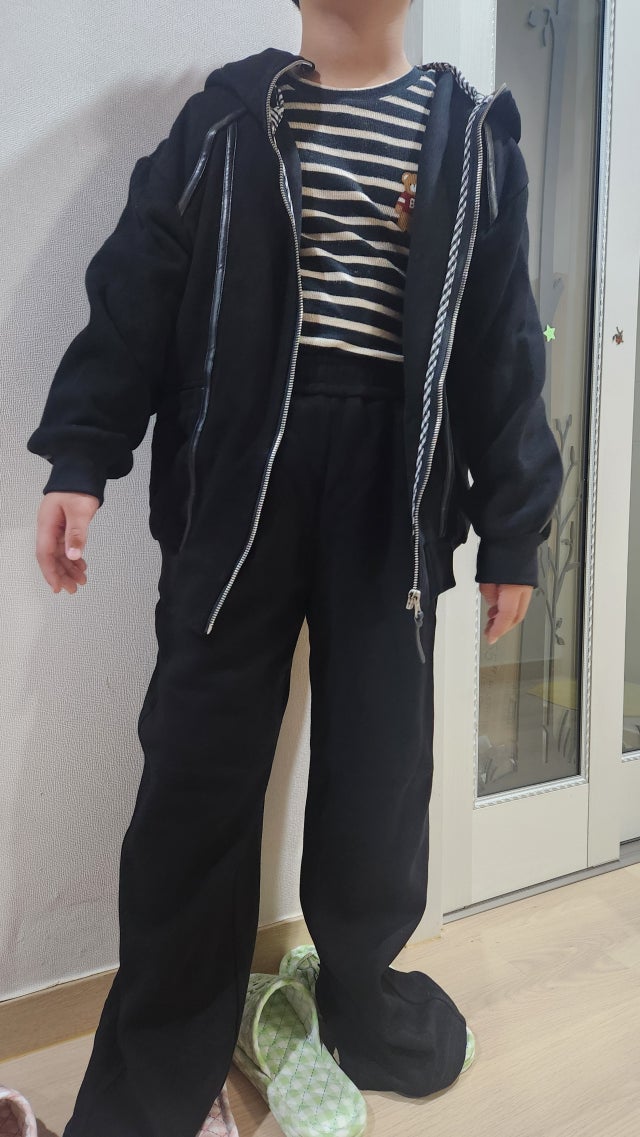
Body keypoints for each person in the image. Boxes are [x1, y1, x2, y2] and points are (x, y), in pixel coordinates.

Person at [26, 1, 564, 1135]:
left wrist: (513, 525)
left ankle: (364, 1003)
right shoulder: (227, 120)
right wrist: (82, 452)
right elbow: (136, 290)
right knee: (195, 769)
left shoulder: (469, 137)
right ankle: (161, 1058)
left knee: (380, 773)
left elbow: (501, 342)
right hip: (236, 490)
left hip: (390, 494)